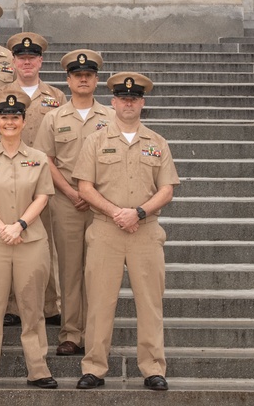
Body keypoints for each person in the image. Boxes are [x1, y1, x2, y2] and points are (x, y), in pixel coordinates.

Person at [73, 72, 179, 391]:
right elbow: (84, 186)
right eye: (123, 98)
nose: (128, 103)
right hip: (106, 230)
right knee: (100, 303)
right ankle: (94, 367)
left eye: (134, 99)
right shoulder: (95, 141)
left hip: (145, 231)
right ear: (114, 103)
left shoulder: (157, 143)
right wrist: (115, 212)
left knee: (150, 303)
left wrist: (139, 212)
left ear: (142, 103)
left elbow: (167, 189)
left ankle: (152, 368)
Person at [0, 91, 57, 390]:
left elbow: (43, 196)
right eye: (4, 117)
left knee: (32, 309)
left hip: (30, 242)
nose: (9, 122)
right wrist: (2, 228)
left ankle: (39, 369)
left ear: (23, 121)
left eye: (14, 117)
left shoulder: (38, 158)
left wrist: (19, 225)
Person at [33, 49, 115, 356]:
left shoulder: (110, 117)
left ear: (96, 81)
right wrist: (69, 192)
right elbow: (46, 159)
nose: (83, 80)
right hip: (67, 203)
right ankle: (70, 332)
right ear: (68, 80)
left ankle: (95, 333)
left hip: (101, 205)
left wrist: (96, 196)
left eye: (88, 76)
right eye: (78, 76)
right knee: (68, 270)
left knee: (97, 270)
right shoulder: (54, 118)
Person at [0, 32, 67, 328]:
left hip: (46, 179)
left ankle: (50, 304)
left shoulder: (56, 97)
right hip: (11, 178)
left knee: (45, 242)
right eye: (21, 58)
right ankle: (12, 305)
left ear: (40, 61)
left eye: (31, 58)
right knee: (13, 241)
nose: (26, 62)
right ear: (12, 61)